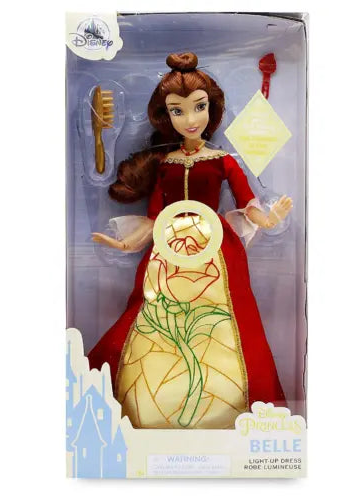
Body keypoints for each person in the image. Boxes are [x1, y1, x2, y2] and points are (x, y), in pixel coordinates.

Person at [88, 52, 293, 429]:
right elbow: (154, 218)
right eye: (177, 111)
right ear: (165, 116)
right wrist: (125, 244)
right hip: (167, 248)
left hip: (214, 247)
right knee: (156, 315)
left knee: (223, 319)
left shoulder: (223, 161)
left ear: (211, 109)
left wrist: (269, 218)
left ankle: (227, 404)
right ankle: (151, 404)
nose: (190, 119)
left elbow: (247, 203)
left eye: (199, 107)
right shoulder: (165, 164)